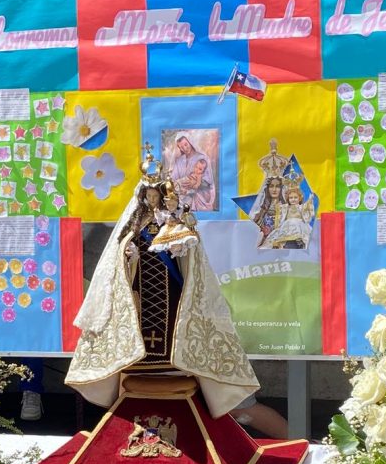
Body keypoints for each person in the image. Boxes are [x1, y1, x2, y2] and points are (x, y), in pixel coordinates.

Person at [66, 151, 259, 419]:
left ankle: (176, 361)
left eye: (156, 195)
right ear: (143, 196)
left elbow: (192, 254)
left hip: (170, 287)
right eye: (149, 196)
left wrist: (181, 244)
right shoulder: (135, 223)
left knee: (173, 325)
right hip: (143, 289)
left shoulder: (174, 219)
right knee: (141, 326)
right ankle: (139, 361)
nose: (153, 199)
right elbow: (120, 250)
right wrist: (128, 254)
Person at [169, 133, 215, 211]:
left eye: (186, 144)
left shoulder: (203, 158)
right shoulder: (179, 161)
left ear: (190, 142)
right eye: (181, 147)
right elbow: (173, 179)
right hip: (181, 195)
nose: (184, 148)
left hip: (199, 197)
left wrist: (194, 183)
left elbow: (208, 183)